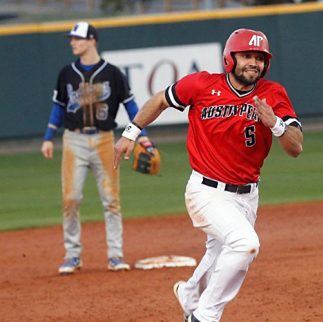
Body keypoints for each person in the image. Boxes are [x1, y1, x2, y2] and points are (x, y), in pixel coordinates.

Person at [114, 28, 303, 322]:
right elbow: (161, 100)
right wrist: (131, 132)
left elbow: (296, 147)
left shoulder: (272, 94)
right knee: (245, 244)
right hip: (206, 191)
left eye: (259, 58)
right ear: (230, 58)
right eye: (247, 56)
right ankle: (204, 316)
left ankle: (190, 295)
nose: (254, 62)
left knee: (219, 256)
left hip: (247, 195)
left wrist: (276, 124)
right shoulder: (202, 85)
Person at [41, 21, 151, 274]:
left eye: (77, 38)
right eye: (72, 38)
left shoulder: (112, 73)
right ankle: (72, 255)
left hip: (104, 140)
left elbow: (132, 107)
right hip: (73, 140)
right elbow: (58, 107)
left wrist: (142, 137)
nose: (72, 42)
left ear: (92, 40)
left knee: (111, 200)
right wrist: (48, 137)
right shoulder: (66, 72)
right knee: (71, 199)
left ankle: (115, 255)